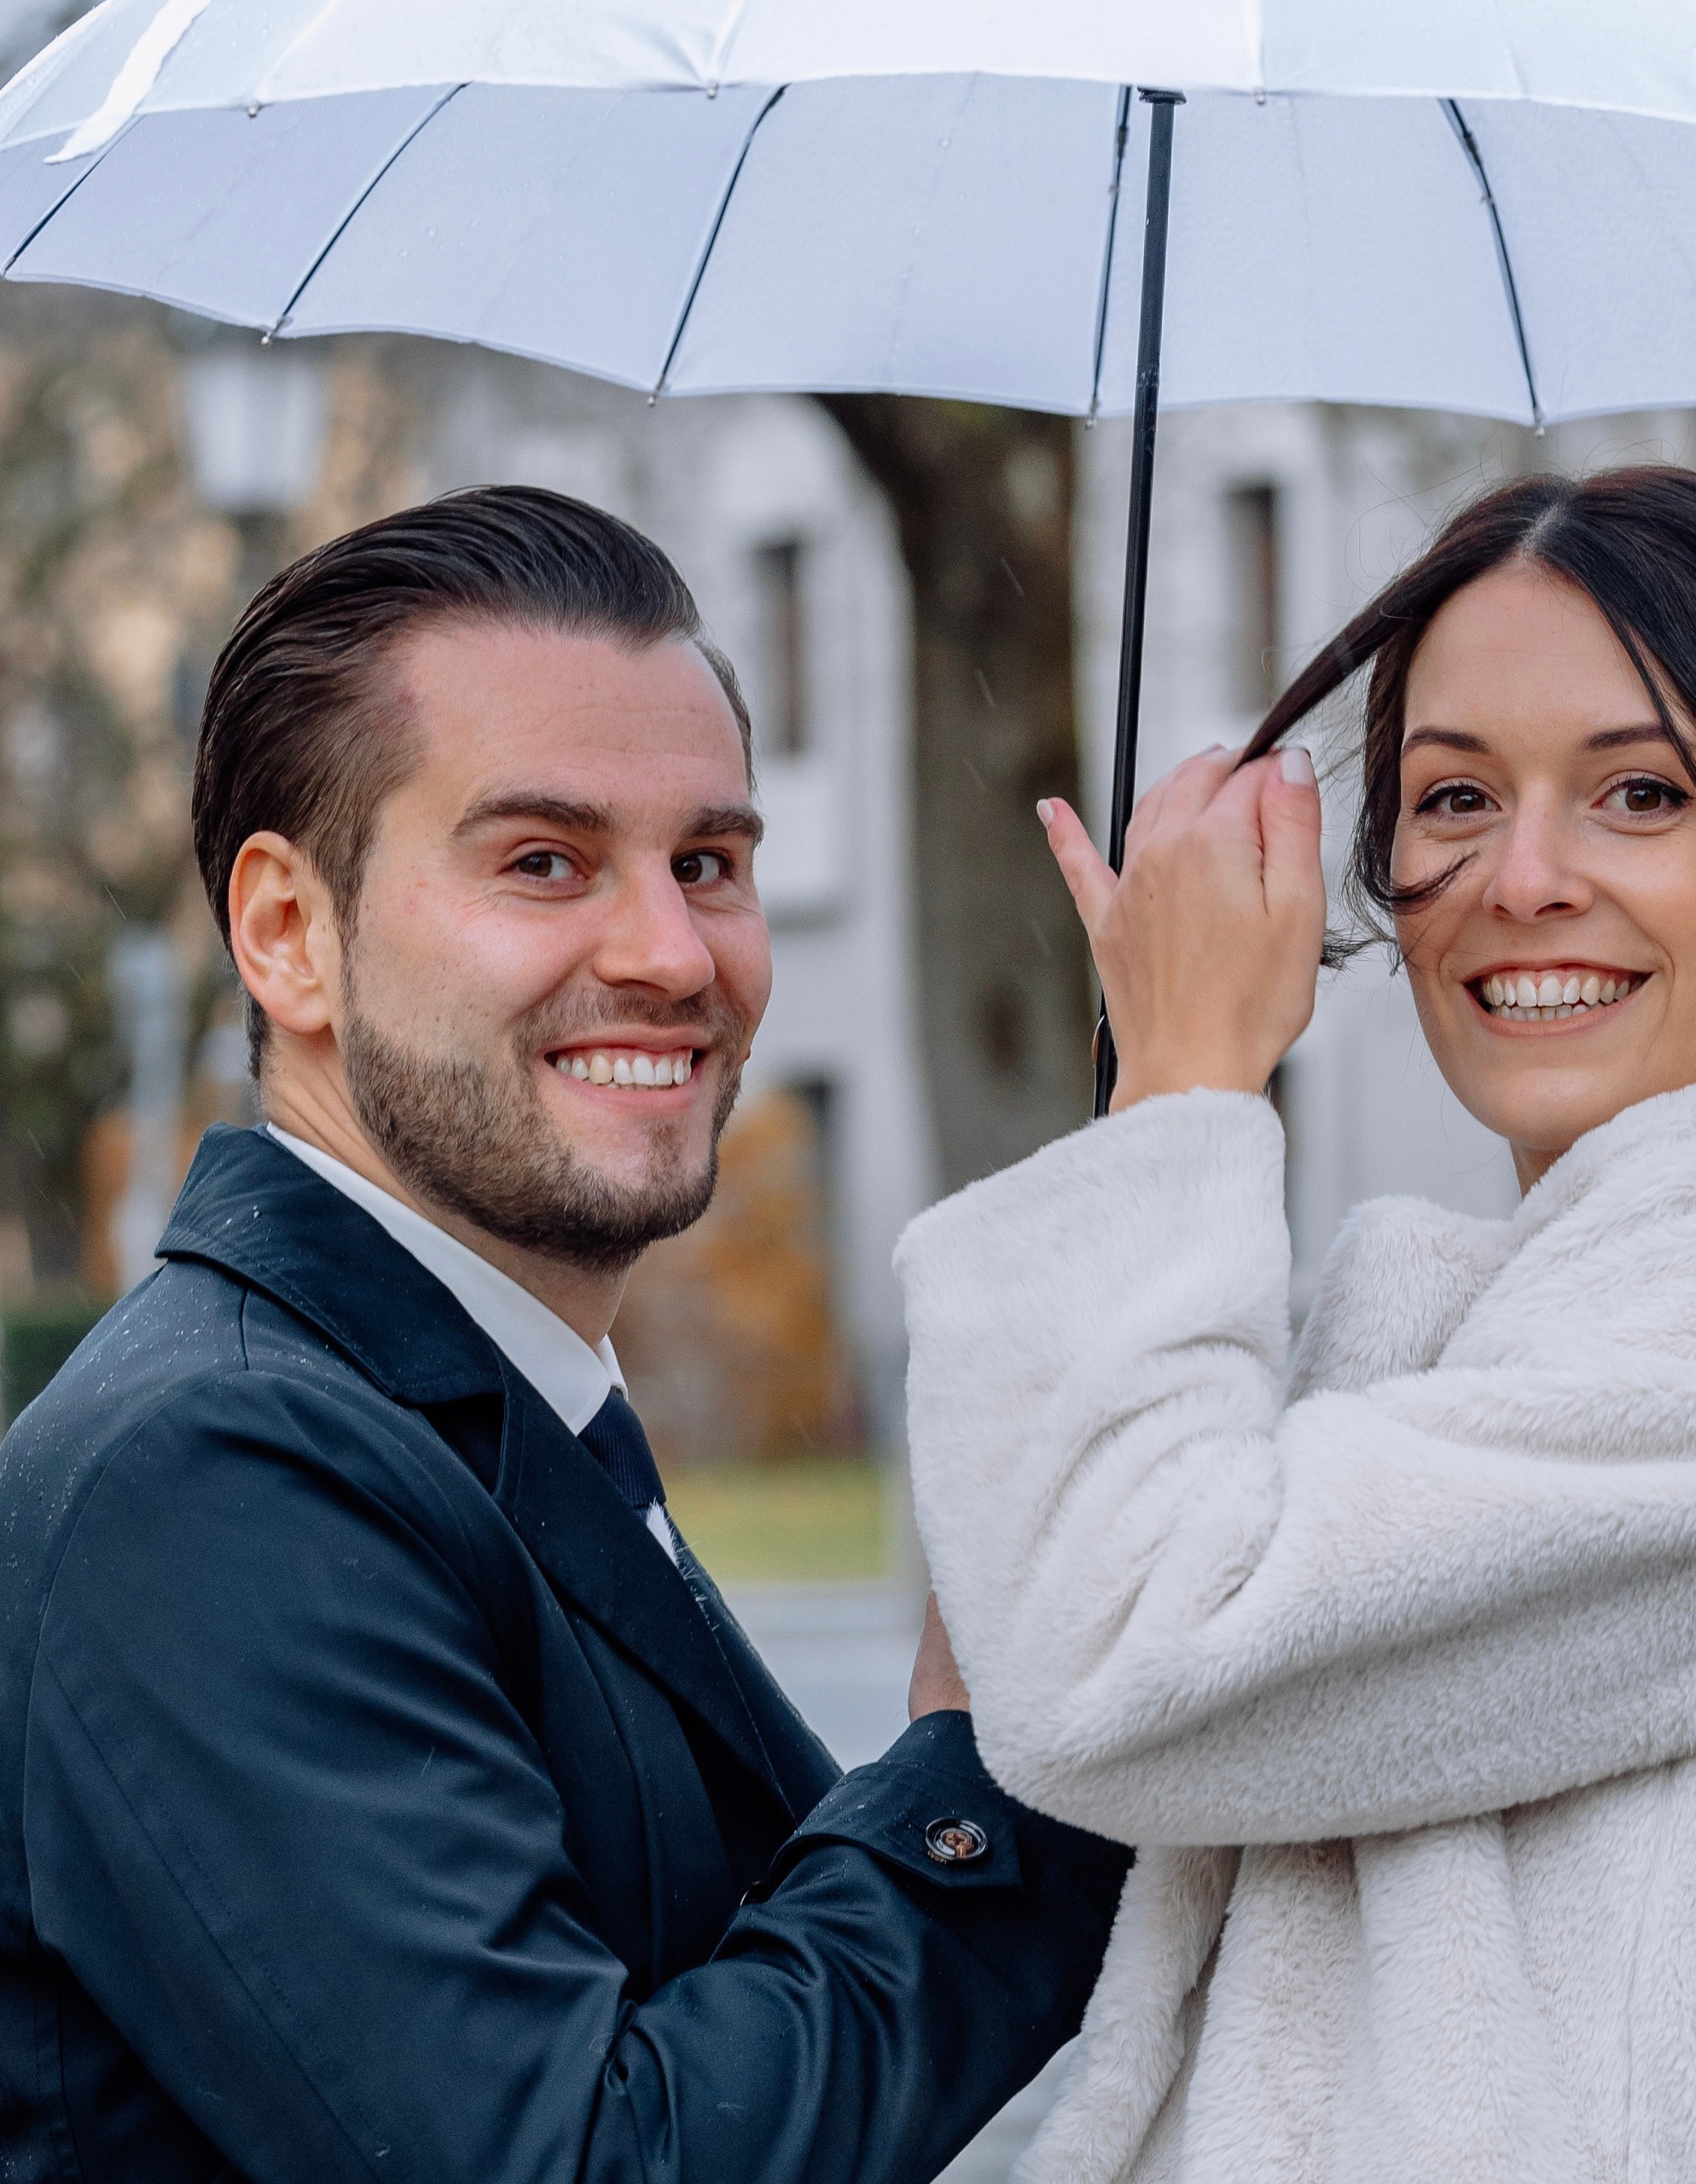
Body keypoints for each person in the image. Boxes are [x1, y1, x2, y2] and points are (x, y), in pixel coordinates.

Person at [897, 467, 1696, 2181]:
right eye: (1446, 799)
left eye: (1637, 793)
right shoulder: (1533, 1313)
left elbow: (1137, 1660)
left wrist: (1185, 1086)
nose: (1521, 877)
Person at [0, 485, 1129, 2182]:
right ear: (288, 931)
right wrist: (973, 1773)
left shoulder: (480, 1409)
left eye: (708, 862)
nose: (671, 953)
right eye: (544, 861)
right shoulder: (209, 1473)